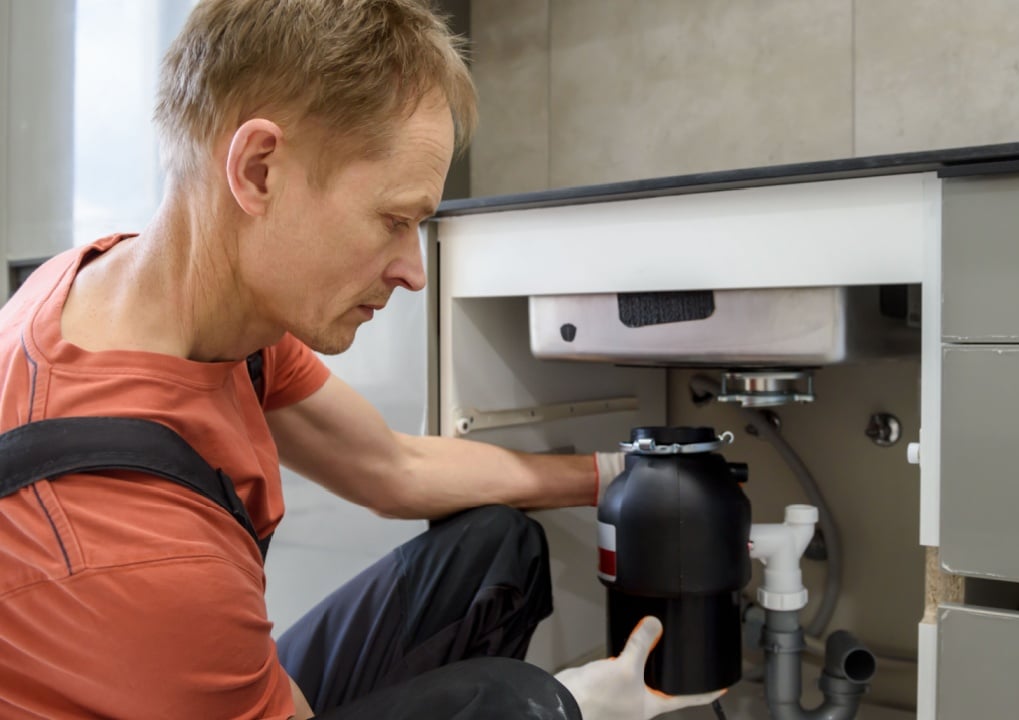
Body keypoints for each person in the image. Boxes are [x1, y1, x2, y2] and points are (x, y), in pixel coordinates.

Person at [0, 1, 724, 718]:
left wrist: (622, 476)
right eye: (393, 220)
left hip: (194, 674)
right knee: (519, 704)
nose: (414, 271)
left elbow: (391, 468)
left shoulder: (172, 300)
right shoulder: (132, 545)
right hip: (175, 657)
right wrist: (569, 709)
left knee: (492, 550)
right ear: (258, 170)